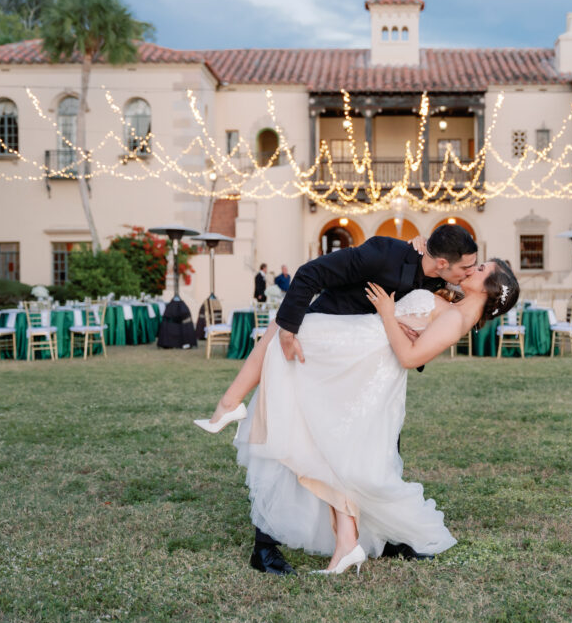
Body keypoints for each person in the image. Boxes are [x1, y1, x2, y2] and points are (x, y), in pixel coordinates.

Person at [204, 225, 481, 575]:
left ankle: (383, 532)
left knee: (379, 453)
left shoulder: (437, 280)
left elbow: (419, 341)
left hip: (372, 373)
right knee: (293, 438)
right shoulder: (382, 252)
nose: (470, 272)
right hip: (326, 353)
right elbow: (310, 274)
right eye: (466, 267)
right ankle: (265, 546)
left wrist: (406, 327)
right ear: (442, 262)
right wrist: (288, 330)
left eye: (475, 268)